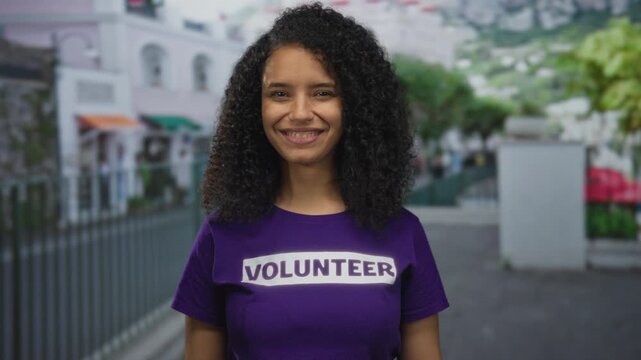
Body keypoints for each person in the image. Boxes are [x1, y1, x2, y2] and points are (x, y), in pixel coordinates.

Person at [171, 3, 449, 359]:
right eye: (280, 93)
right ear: (255, 107)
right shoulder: (221, 234)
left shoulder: (402, 232)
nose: (300, 114)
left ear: (356, 105)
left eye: (322, 92)